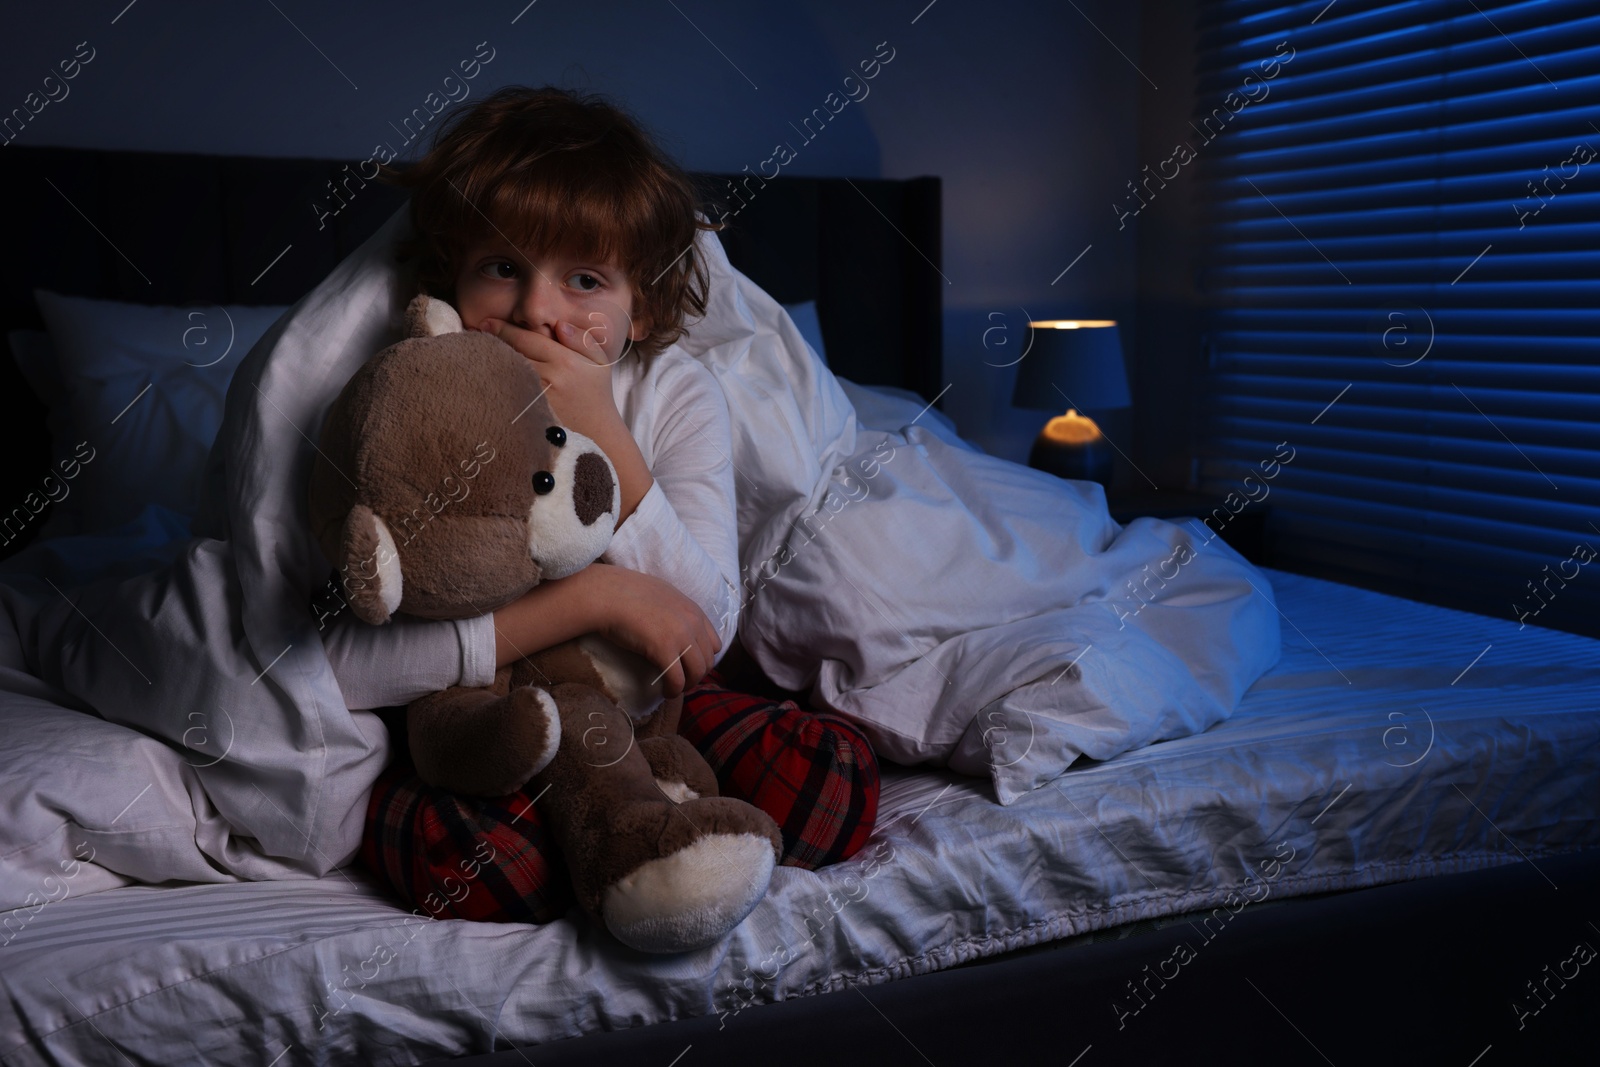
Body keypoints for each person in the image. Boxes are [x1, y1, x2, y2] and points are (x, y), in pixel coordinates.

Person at [321, 86, 879, 923]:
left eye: (585, 279)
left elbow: (707, 625)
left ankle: (643, 814)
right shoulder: (417, 391)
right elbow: (341, 666)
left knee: (828, 784)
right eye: (503, 268)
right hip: (483, 713)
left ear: (642, 303)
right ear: (453, 273)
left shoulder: (674, 391)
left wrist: (602, 424)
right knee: (489, 864)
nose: (541, 310)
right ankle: (616, 836)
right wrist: (595, 597)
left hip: (653, 698)